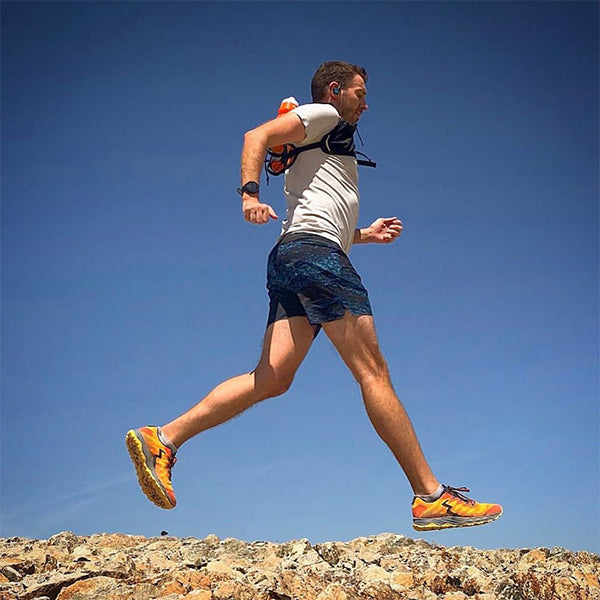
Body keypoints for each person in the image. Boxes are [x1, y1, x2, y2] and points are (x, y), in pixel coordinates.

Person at [126, 61, 502, 531]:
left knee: (272, 377)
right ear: (335, 89)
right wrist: (247, 195)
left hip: (293, 255)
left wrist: (363, 234)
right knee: (373, 371)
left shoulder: (322, 141)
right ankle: (430, 496)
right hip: (316, 257)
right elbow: (254, 137)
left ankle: (163, 438)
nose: (366, 103)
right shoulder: (324, 116)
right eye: (360, 93)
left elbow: (314, 210)